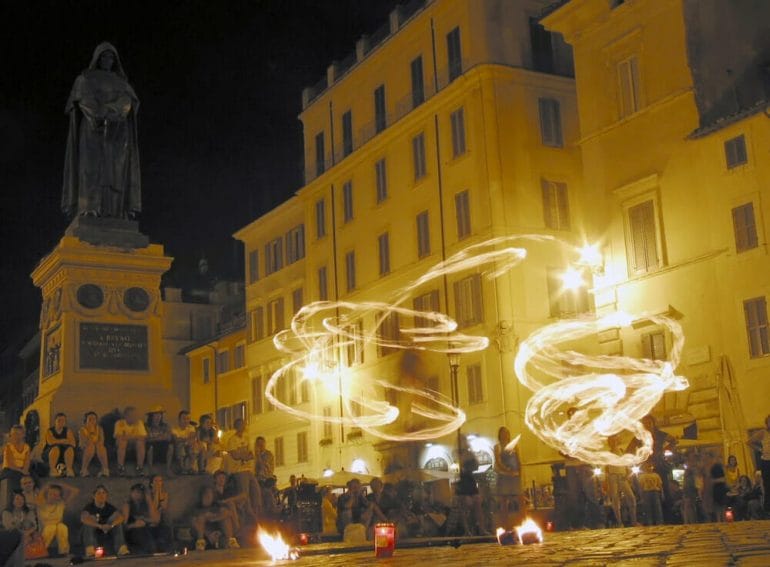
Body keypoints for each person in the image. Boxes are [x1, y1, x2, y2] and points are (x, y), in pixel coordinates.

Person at [62, 42, 141, 219]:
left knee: (116, 171)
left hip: (117, 132)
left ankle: (115, 211)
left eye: (111, 57)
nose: (107, 60)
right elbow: (83, 98)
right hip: (92, 130)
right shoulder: (86, 78)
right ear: (97, 58)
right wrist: (99, 114)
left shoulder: (122, 83)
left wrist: (112, 111)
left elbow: (128, 101)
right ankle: (89, 208)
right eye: (104, 56)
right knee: (90, 169)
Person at [225, 419, 261, 518]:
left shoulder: (246, 438)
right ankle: (245, 515)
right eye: (241, 425)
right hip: (238, 470)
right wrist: (243, 456)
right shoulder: (232, 440)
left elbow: (250, 454)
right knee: (244, 494)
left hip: (248, 469)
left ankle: (256, 512)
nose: (244, 427)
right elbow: (235, 455)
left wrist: (243, 455)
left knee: (256, 490)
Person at [81, 485, 129, 558]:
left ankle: (121, 549)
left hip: (108, 529)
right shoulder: (89, 507)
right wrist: (100, 526)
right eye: (99, 493)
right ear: (94, 496)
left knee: (118, 524)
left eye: (103, 493)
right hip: (94, 530)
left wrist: (111, 525)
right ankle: (90, 551)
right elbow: (84, 519)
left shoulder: (109, 507)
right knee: (89, 522)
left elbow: (120, 517)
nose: (101, 495)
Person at [453, 439, 488, 535]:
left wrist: (470, 453)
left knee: (477, 505)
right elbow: (459, 467)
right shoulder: (456, 453)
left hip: (470, 480)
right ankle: (467, 530)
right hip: (462, 481)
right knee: (464, 507)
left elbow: (475, 465)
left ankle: (481, 529)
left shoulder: (469, 453)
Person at [36, 483, 78, 556]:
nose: (53, 496)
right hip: (45, 528)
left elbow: (75, 491)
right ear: (47, 494)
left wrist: (61, 485)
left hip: (58, 527)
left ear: (59, 497)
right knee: (51, 527)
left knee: (62, 527)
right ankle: (41, 551)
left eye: (56, 494)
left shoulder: (61, 504)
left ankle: (64, 552)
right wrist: (47, 486)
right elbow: (41, 493)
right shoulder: (41, 503)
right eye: (51, 494)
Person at [606, 434, 639, 527]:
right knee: (615, 499)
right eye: (612, 441)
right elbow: (607, 469)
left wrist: (628, 475)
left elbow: (627, 464)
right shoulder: (608, 454)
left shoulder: (621, 451)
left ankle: (634, 521)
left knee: (631, 497)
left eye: (615, 440)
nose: (614, 442)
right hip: (613, 476)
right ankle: (619, 522)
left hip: (622, 476)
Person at [192, 486, 239, 551]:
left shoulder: (216, 506)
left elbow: (228, 513)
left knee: (226, 518)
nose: (207, 498)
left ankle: (231, 541)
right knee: (197, 519)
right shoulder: (197, 508)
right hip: (207, 534)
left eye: (209, 495)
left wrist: (214, 518)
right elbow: (196, 520)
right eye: (205, 495)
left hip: (220, 532)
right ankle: (200, 543)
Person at [494, 426, 522, 525]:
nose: (505, 434)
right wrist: (506, 469)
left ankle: (521, 521)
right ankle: (505, 523)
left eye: (507, 432)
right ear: (500, 435)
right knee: (504, 500)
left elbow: (518, 460)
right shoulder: (497, 447)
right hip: (504, 475)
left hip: (514, 476)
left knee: (519, 499)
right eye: (503, 433)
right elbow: (498, 461)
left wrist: (519, 472)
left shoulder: (514, 446)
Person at [121, 483, 160, 554]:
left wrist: (149, 501)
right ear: (131, 493)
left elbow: (156, 520)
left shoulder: (145, 504)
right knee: (140, 533)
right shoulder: (127, 505)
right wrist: (134, 525)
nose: (138, 495)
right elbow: (124, 527)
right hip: (132, 532)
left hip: (145, 530)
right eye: (136, 492)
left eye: (141, 493)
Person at [2, 492, 41, 556]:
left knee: (33, 536)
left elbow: (34, 525)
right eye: (17, 499)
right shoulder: (6, 512)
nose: (20, 501)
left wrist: (27, 533)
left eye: (22, 499)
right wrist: (23, 533)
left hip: (28, 533)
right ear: (12, 501)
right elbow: (9, 527)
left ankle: (30, 554)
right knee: (21, 538)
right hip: (12, 534)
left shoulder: (28, 511)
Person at [114, 406, 147, 476]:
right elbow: (118, 437)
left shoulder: (139, 423)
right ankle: (120, 468)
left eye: (135, 415)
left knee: (140, 443)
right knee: (123, 443)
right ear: (126, 416)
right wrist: (134, 437)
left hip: (135, 444)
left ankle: (140, 468)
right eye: (132, 415)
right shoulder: (119, 423)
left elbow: (143, 437)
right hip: (122, 444)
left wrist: (127, 437)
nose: (135, 417)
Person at [43, 413, 76, 478]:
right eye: (59, 420)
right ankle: (52, 470)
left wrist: (57, 441)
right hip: (51, 452)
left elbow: (73, 443)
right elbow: (51, 442)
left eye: (63, 421)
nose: (61, 422)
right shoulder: (50, 431)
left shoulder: (67, 430)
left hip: (64, 452)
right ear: (55, 421)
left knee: (70, 449)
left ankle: (69, 469)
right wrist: (64, 440)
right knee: (55, 448)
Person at [749, 414, 770, 514]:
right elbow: (749, 442)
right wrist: (760, 449)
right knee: (767, 485)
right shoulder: (763, 433)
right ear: (767, 423)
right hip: (766, 461)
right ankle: (767, 509)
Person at [79, 411, 109, 477]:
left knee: (101, 447)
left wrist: (96, 444)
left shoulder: (99, 429)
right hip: (85, 449)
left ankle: (105, 469)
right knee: (90, 446)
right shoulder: (82, 430)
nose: (92, 421)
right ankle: (84, 470)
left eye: (94, 419)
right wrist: (91, 436)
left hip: (98, 449)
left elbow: (101, 440)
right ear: (86, 420)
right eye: (90, 419)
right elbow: (83, 443)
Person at [145, 406, 173, 475]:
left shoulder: (165, 426)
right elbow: (147, 438)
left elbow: (168, 437)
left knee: (170, 446)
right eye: (155, 415)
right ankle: (150, 470)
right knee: (150, 447)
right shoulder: (146, 426)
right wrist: (160, 437)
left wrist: (156, 438)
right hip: (151, 445)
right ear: (151, 416)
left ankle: (168, 469)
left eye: (159, 415)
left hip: (163, 445)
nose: (158, 417)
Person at [2, 425, 31, 492]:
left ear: (23, 435)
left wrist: (25, 470)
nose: (16, 436)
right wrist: (22, 471)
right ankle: (17, 495)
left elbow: (27, 462)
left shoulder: (26, 447)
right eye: (14, 434)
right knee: (18, 476)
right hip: (9, 470)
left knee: (33, 476)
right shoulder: (8, 447)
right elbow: (10, 464)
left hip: (22, 469)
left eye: (19, 434)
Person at [148, 474, 172, 551]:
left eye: (160, 481)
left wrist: (159, 493)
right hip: (149, 518)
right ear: (151, 484)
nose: (158, 483)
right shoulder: (147, 495)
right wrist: (157, 493)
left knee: (164, 523)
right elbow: (154, 508)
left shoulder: (165, 494)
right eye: (156, 481)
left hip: (160, 519)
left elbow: (163, 507)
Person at [710, 457, 729, 522]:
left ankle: (722, 520)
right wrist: (720, 480)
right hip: (717, 489)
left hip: (721, 488)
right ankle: (720, 520)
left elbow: (724, 479)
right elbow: (711, 480)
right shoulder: (713, 468)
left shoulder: (721, 468)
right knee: (719, 506)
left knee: (722, 506)